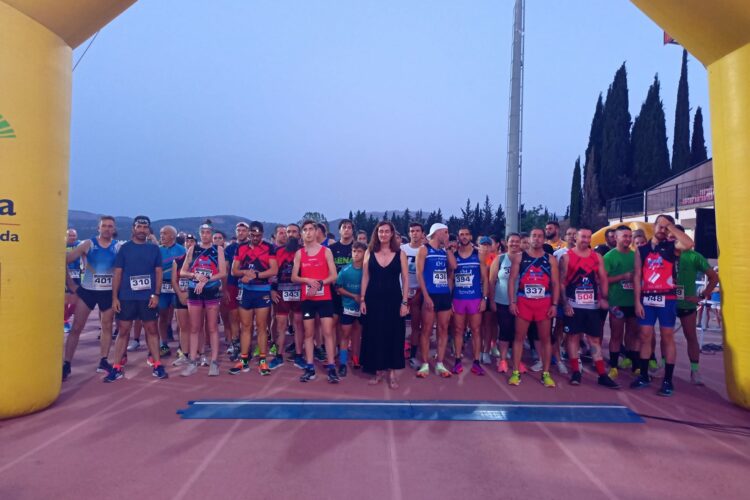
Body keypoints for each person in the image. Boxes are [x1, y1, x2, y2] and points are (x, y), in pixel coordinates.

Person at [631, 215, 694, 396]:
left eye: (666, 227)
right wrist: (637, 301)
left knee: (667, 337)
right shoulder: (641, 249)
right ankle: (643, 375)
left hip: (667, 299)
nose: (662, 229)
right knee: (645, 336)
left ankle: (668, 380)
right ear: (654, 226)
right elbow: (637, 276)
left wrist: (671, 228)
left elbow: (689, 244)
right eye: (660, 225)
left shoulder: (672, 246)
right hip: (647, 300)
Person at [104, 216, 167, 382]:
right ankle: (117, 366)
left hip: (147, 297)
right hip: (127, 297)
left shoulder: (154, 249)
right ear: (133, 228)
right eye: (139, 227)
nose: (142, 230)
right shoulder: (124, 249)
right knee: (123, 330)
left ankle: (157, 364)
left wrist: (156, 294)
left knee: (152, 329)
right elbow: (117, 273)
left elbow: (159, 272)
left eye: (145, 227)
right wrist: (115, 297)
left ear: (149, 230)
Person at [63, 216, 122, 380]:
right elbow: (64, 260)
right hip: (88, 291)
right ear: (98, 228)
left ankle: (103, 360)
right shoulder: (89, 244)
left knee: (107, 327)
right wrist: (71, 285)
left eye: (110, 226)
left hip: (108, 292)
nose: (107, 229)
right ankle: (66, 363)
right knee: (76, 327)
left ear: (114, 229)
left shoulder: (118, 247)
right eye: (104, 226)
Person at [559, 227, 618, 389]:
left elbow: (603, 278)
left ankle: (602, 374)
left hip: (591, 306)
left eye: (588, 237)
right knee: (573, 338)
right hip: (573, 305)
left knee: (594, 339)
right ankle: (576, 372)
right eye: (583, 237)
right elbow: (561, 283)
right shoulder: (566, 258)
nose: (586, 240)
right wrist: (565, 304)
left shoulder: (596, 257)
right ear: (575, 238)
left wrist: (604, 298)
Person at [507, 228, 559, 388]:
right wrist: (512, 302)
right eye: (534, 236)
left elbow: (556, 283)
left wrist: (555, 304)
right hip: (524, 302)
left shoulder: (550, 259)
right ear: (529, 239)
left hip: (544, 303)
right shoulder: (519, 258)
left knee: (545, 339)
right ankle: (515, 372)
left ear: (544, 239)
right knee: (519, 338)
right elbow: (512, 280)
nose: (537, 239)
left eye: (540, 236)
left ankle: (546, 373)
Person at [360, 221, 409, 388]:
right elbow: (365, 277)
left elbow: (405, 278)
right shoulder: (369, 252)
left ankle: (393, 372)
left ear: (392, 234)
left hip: (394, 300)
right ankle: (377, 371)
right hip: (373, 300)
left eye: (387, 231)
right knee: (374, 334)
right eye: (381, 231)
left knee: (394, 335)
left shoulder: (400, 253)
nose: (384, 234)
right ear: (377, 233)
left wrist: (404, 302)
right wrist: (362, 299)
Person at [670, 225, 719, 385]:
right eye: (671, 237)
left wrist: (702, 295)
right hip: (666, 303)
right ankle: (663, 367)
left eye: (677, 237)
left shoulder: (694, 256)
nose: (673, 240)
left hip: (686, 304)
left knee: (691, 337)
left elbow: (713, 277)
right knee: (664, 337)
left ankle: (695, 370)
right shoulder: (663, 254)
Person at [292, 219, 339, 383]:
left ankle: (332, 367)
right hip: (307, 299)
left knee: (327, 333)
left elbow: (334, 276)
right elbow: (294, 277)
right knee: (309, 334)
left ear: (316, 231)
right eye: (305, 230)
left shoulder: (326, 251)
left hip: (325, 298)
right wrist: (307, 280)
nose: (308, 232)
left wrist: (319, 283)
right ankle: (310, 367)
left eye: (311, 229)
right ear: (302, 233)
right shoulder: (300, 253)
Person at [229, 221, 277, 376]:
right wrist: (245, 273)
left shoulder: (269, 247)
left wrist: (255, 275)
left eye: (258, 235)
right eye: (252, 235)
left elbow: (273, 269)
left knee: (262, 327)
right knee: (245, 326)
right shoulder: (240, 248)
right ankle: (243, 360)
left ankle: (262, 361)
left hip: (262, 291)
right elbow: (234, 271)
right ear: (248, 234)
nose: (255, 238)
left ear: (262, 234)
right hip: (246, 292)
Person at [180, 221, 227, 377]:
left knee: (212, 327)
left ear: (212, 234)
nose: (205, 235)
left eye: (208, 233)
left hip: (211, 291)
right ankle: (193, 361)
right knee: (194, 327)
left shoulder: (218, 250)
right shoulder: (193, 249)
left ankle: (213, 362)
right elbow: (183, 272)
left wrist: (206, 279)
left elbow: (223, 273)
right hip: (194, 292)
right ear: (200, 234)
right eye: (203, 232)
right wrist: (195, 275)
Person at [415, 223, 456, 378]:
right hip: (430, 294)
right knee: (426, 329)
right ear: (437, 233)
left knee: (443, 329)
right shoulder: (424, 249)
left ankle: (440, 362)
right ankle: (425, 363)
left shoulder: (444, 251)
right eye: (445, 232)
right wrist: (426, 296)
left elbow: (454, 266)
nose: (448, 235)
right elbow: (419, 274)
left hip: (444, 294)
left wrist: (448, 248)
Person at [451, 227, 488, 375]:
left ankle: (476, 361)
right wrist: (449, 299)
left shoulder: (478, 255)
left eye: (466, 234)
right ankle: (457, 360)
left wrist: (484, 299)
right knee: (458, 330)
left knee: (476, 330)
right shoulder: (454, 255)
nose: (464, 237)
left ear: (471, 236)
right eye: (461, 235)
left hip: (475, 298)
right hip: (458, 298)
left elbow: (485, 280)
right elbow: (451, 279)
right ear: (458, 237)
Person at [604, 225, 639, 376]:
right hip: (616, 303)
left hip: (633, 302)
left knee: (633, 334)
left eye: (629, 236)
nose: (628, 239)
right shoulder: (609, 257)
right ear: (616, 238)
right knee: (616, 335)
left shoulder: (636, 255)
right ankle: (613, 366)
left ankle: (634, 365)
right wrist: (622, 277)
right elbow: (603, 280)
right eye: (624, 236)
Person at [489, 233, 520, 373]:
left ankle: (516, 361)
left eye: (517, 242)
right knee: (505, 331)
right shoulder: (500, 259)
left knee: (518, 333)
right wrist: (491, 300)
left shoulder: (523, 259)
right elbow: (492, 281)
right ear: (506, 243)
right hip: (502, 301)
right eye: (511, 241)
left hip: (521, 302)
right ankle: (502, 360)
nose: (514, 244)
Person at [335, 241, 367, 377]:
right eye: (354, 251)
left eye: (359, 251)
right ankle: (342, 363)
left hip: (362, 308)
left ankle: (355, 358)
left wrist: (363, 298)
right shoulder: (345, 270)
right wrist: (352, 295)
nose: (356, 254)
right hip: (347, 307)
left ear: (365, 253)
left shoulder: (368, 270)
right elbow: (338, 288)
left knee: (357, 334)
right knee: (345, 335)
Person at [221, 222, 250, 359]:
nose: (241, 232)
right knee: (233, 316)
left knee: (247, 317)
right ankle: (235, 343)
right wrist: (225, 288)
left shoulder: (253, 247)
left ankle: (246, 345)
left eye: (244, 230)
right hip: (233, 285)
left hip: (249, 286)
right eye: (239, 230)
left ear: (248, 232)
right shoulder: (230, 249)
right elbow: (226, 270)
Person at [156, 225, 185, 359]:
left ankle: (182, 345)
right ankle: (164, 344)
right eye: (161, 233)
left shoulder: (182, 250)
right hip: (162, 289)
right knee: (162, 317)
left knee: (180, 319)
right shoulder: (157, 250)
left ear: (173, 236)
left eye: (165, 233)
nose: (161, 236)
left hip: (177, 288)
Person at [402, 222, 425, 369]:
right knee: (397, 324)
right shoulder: (402, 249)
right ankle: (397, 352)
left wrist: (421, 292)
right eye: (412, 231)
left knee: (416, 325)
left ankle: (413, 355)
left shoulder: (425, 250)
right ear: (409, 233)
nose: (414, 233)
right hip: (402, 291)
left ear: (423, 233)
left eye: (417, 231)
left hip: (418, 291)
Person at [64, 228, 82, 333]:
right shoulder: (62, 246)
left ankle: (66, 317)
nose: (72, 237)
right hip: (65, 276)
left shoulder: (79, 245)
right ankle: (65, 321)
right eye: (70, 235)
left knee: (78, 299)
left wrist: (85, 265)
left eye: (74, 235)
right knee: (66, 300)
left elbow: (85, 255)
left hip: (77, 276)